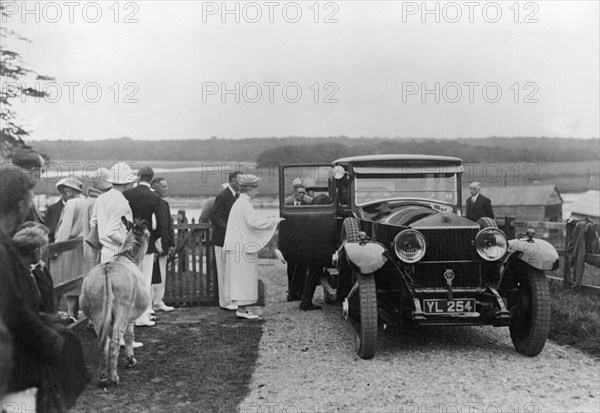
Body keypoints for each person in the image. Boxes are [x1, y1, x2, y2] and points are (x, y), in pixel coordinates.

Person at [0, 165, 65, 411]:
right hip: (14, 371)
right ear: (19, 205)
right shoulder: (4, 252)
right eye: (29, 200)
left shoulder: (7, 247)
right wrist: (52, 341)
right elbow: (15, 312)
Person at [224, 174, 284, 319]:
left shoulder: (240, 203)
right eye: (255, 189)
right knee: (243, 278)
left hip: (239, 246)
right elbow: (254, 223)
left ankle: (242, 309)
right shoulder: (244, 204)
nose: (257, 192)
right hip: (242, 248)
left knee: (242, 278)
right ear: (249, 190)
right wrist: (274, 221)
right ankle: (242, 310)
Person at [124, 166, 163, 327]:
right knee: (145, 280)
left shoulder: (127, 194)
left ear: (139, 176)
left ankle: (131, 316)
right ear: (151, 177)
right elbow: (159, 224)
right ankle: (142, 316)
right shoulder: (154, 197)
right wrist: (155, 239)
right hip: (147, 244)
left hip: (129, 243)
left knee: (132, 280)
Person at [54, 179, 86, 321]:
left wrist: (57, 246)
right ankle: (75, 314)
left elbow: (65, 228)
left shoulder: (71, 204)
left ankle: (70, 314)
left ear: (74, 190)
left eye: (67, 189)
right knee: (79, 281)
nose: (64, 192)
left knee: (67, 281)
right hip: (84, 245)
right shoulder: (88, 201)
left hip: (70, 246)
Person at [210, 171, 241, 311]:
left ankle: (229, 299)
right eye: (240, 181)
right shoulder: (223, 195)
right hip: (221, 240)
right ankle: (225, 302)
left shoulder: (236, 195)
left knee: (229, 271)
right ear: (233, 181)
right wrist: (229, 228)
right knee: (223, 272)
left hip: (230, 240)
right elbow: (214, 217)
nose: (242, 184)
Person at [150, 176, 175, 312]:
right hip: (152, 245)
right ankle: (150, 303)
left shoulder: (165, 205)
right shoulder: (150, 202)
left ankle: (159, 301)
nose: (166, 189)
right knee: (151, 275)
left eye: (166, 186)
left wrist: (171, 243)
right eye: (163, 186)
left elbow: (168, 225)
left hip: (164, 244)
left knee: (162, 274)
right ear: (155, 187)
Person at [45, 177, 82, 242]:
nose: (65, 191)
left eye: (68, 189)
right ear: (60, 192)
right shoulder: (52, 208)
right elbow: (47, 229)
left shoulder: (74, 204)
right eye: (62, 190)